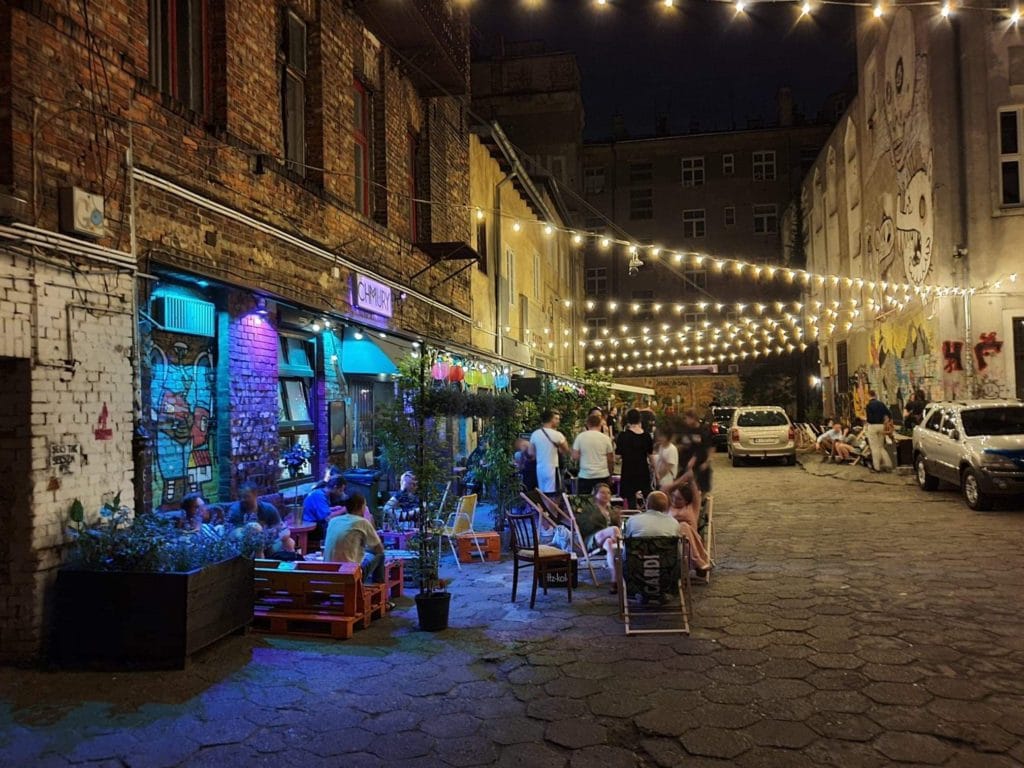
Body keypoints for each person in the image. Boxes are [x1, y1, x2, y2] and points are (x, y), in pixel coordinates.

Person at [323, 493, 389, 591]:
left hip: (330, 573)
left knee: (368, 554)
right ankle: (380, 595)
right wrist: (368, 517)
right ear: (361, 506)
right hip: (350, 575)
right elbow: (379, 549)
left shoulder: (333, 521)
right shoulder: (362, 522)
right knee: (380, 556)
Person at [228, 483, 295, 553]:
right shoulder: (236, 510)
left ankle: (291, 562)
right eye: (240, 497)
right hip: (244, 547)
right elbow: (234, 533)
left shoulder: (268, 508)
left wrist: (281, 535)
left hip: (267, 544)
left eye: (246, 497)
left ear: (255, 495)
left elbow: (282, 528)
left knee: (289, 542)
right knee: (253, 527)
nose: (242, 499)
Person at [668, 482, 711, 577]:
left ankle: (696, 560)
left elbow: (695, 491)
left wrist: (688, 477)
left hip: (690, 539)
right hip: (671, 539)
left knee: (683, 526)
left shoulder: (692, 507)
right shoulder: (668, 506)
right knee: (680, 526)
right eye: (673, 496)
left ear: (686, 501)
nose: (674, 500)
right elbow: (664, 489)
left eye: (679, 499)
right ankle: (697, 561)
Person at [588, 483, 623, 594]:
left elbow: (618, 526)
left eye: (608, 493)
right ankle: (624, 554)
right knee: (614, 530)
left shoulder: (612, 511)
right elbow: (585, 526)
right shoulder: (589, 509)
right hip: (592, 539)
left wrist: (617, 516)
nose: (606, 495)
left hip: (608, 540)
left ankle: (614, 581)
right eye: (602, 492)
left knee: (610, 545)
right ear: (595, 494)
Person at [616, 408, 654, 508]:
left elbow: (618, 455)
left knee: (630, 497)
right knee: (647, 495)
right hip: (642, 469)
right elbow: (651, 455)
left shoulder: (623, 436)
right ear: (640, 419)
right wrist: (655, 471)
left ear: (628, 420)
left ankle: (632, 516)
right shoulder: (646, 436)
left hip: (628, 469)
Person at [529, 410, 570, 495]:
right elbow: (566, 450)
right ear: (551, 419)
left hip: (540, 468)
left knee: (543, 493)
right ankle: (551, 508)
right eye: (556, 419)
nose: (558, 421)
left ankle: (544, 508)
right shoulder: (558, 435)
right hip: (552, 468)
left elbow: (531, 453)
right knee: (554, 494)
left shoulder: (535, 434)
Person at [573, 412, 615, 494]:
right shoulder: (605, 438)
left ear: (587, 424)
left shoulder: (580, 437)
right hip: (602, 474)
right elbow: (610, 459)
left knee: (585, 502)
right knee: (602, 501)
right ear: (600, 424)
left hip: (585, 475)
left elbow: (575, 456)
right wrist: (610, 474)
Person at [676, 409, 714, 494]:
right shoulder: (685, 430)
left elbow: (709, 448)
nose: (685, 421)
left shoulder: (704, 430)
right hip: (685, 463)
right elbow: (679, 443)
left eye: (687, 418)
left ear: (693, 418)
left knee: (701, 487)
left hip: (700, 463)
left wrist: (707, 462)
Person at [865, 390, 894, 472]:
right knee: (881, 446)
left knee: (874, 447)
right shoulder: (881, 404)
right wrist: (888, 422)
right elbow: (889, 413)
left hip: (872, 427)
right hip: (881, 426)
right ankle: (888, 464)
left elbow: (869, 418)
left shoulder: (868, 405)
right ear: (875, 395)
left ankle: (876, 467)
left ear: (869, 395)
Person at [652, 423, 679, 488]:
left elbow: (668, 467)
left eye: (662, 436)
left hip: (666, 480)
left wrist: (658, 477)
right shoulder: (661, 446)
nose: (659, 438)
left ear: (667, 437)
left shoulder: (672, 449)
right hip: (659, 478)